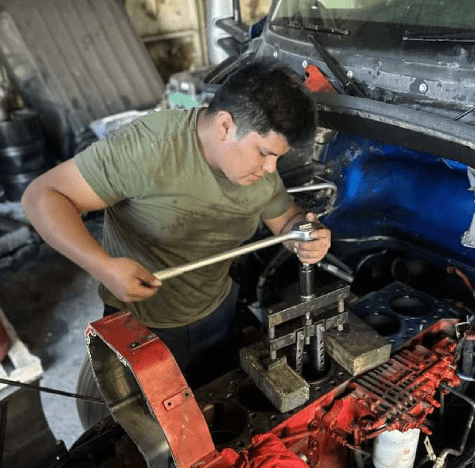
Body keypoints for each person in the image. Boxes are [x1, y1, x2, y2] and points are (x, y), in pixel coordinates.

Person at [22, 58, 331, 383]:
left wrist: (304, 235)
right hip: (141, 326)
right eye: (265, 153)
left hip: (218, 311)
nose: (271, 169)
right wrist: (104, 267)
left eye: (278, 157)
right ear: (225, 126)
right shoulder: (148, 148)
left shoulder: (258, 173)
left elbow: (287, 221)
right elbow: (42, 197)